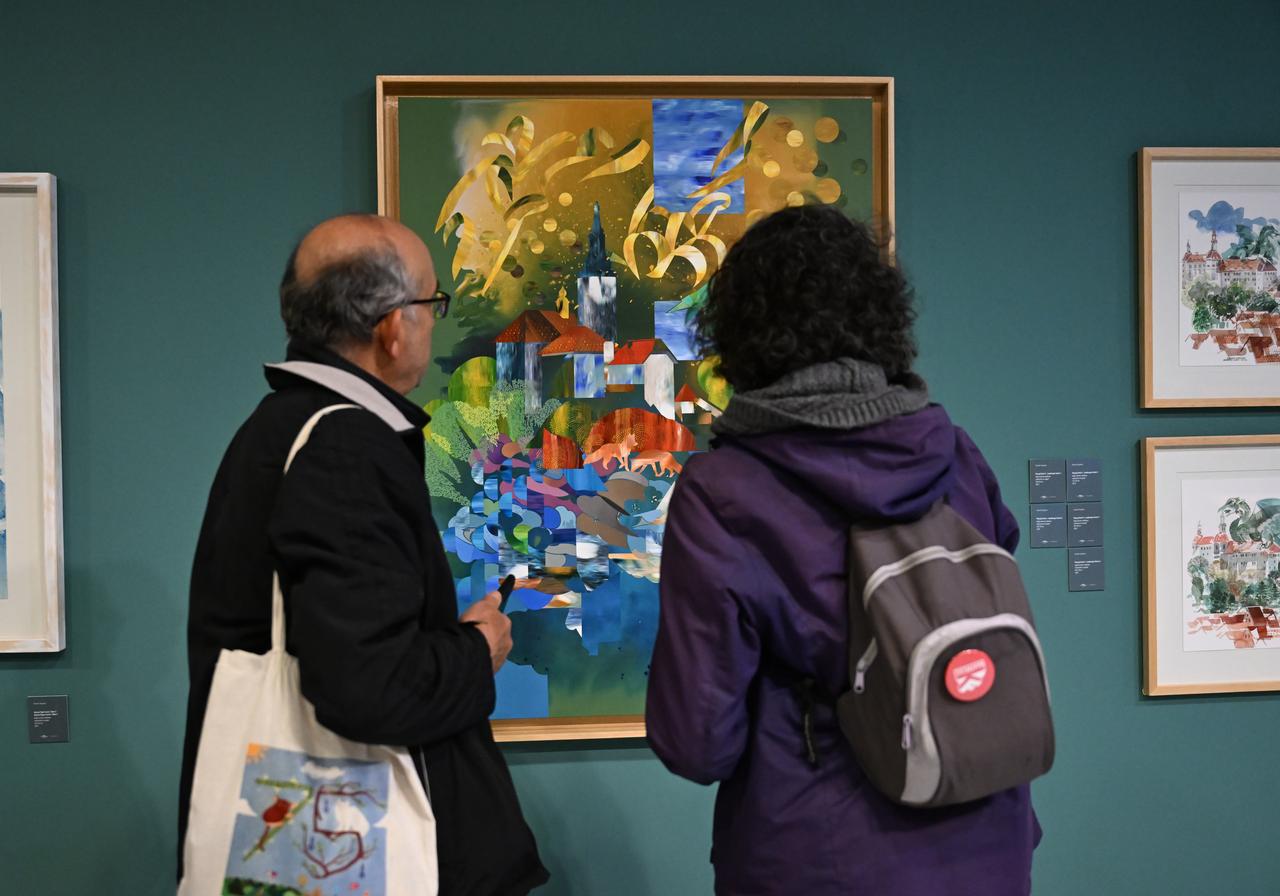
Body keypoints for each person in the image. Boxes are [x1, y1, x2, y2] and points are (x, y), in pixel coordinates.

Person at [646, 205, 1039, 895]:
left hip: (815, 855)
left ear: (739, 333)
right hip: (988, 837)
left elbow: (698, 741)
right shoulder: (954, 454)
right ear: (878, 316)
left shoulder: (724, 493)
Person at [179, 214, 548, 894]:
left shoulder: (278, 429)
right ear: (391, 327)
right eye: (433, 305)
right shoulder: (344, 447)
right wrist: (478, 649)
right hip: (367, 849)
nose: (434, 323)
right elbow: (369, 686)